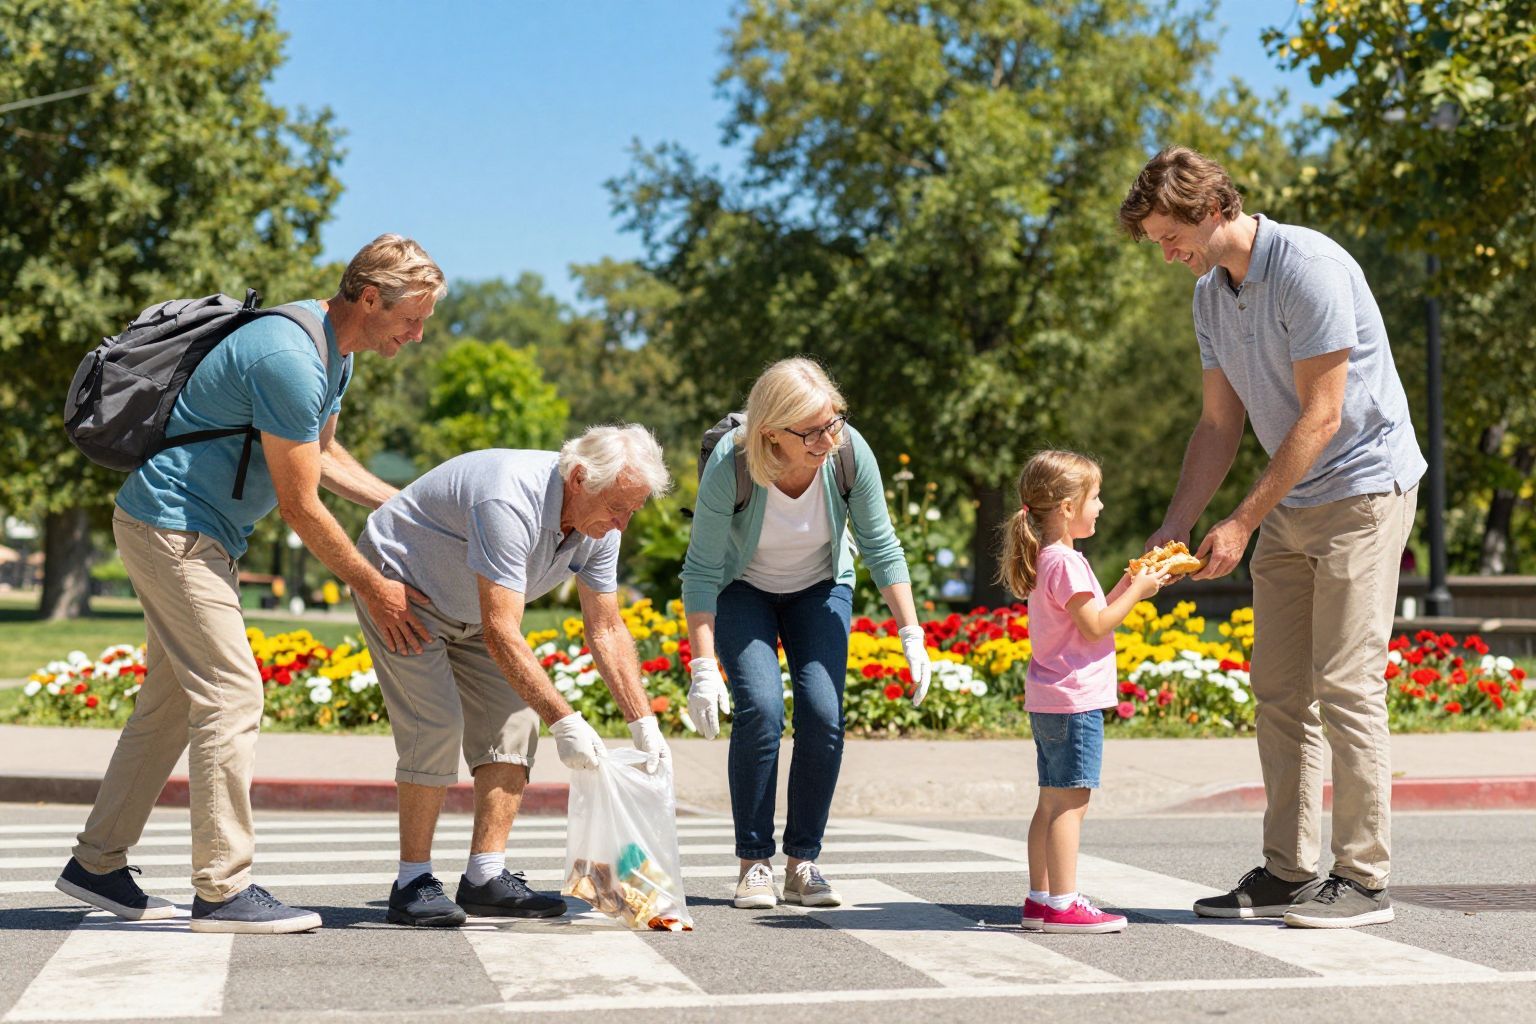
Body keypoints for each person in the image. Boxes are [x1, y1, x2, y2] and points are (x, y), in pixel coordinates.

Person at [56, 234, 448, 934]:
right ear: (367, 298)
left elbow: (320, 455)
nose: (416, 336)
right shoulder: (290, 357)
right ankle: (222, 888)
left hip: (198, 534)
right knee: (233, 692)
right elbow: (301, 506)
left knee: (171, 706)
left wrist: (403, 506)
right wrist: (372, 583)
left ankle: (97, 863)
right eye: (410, 319)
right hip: (172, 530)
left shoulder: (335, 354)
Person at [1120, 147, 1425, 928]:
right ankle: (1289, 872)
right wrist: (1178, 521)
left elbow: (1323, 416)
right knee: (1279, 690)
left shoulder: (1307, 266)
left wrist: (1242, 520)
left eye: (1168, 234)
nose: (1166, 251)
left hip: (1363, 487)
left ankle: (1363, 879)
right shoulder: (1208, 298)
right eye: (1155, 239)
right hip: (1291, 496)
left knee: (1347, 684)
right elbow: (1219, 425)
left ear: (1212, 207)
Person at [356, 425, 674, 927]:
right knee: (435, 723)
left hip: (474, 606)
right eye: (617, 507)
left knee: (516, 723)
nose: (622, 525)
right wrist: (565, 720)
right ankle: (411, 880)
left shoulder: (598, 526)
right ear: (577, 478)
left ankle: (485, 875)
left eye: (631, 511)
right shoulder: (509, 498)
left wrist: (643, 724)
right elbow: (502, 629)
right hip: (403, 591)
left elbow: (607, 627)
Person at [681, 357, 931, 910]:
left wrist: (912, 633)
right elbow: (699, 570)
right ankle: (753, 864)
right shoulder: (734, 462)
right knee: (763, 709)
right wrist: (703, 668)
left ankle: (803, 863)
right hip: (741, 587)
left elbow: (881, 544)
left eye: (834, 421)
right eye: (813, 430)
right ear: (772, 432)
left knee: (822, 712)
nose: (829, 437)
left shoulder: (847, 453)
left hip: (821, 586)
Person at [998, 450, 1169, 935]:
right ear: (1068, 507)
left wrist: (1130, 582)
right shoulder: (1067, 562)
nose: (1101, 506)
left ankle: (1040, 899)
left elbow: (1088, 613)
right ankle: (1064, 904)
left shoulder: (1050, 558)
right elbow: (1095, 626)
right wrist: (1138, 592)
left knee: (1050, 802)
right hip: (1075, 702)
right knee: (1072, 803)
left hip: (1052, 699)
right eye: (1095, 497)